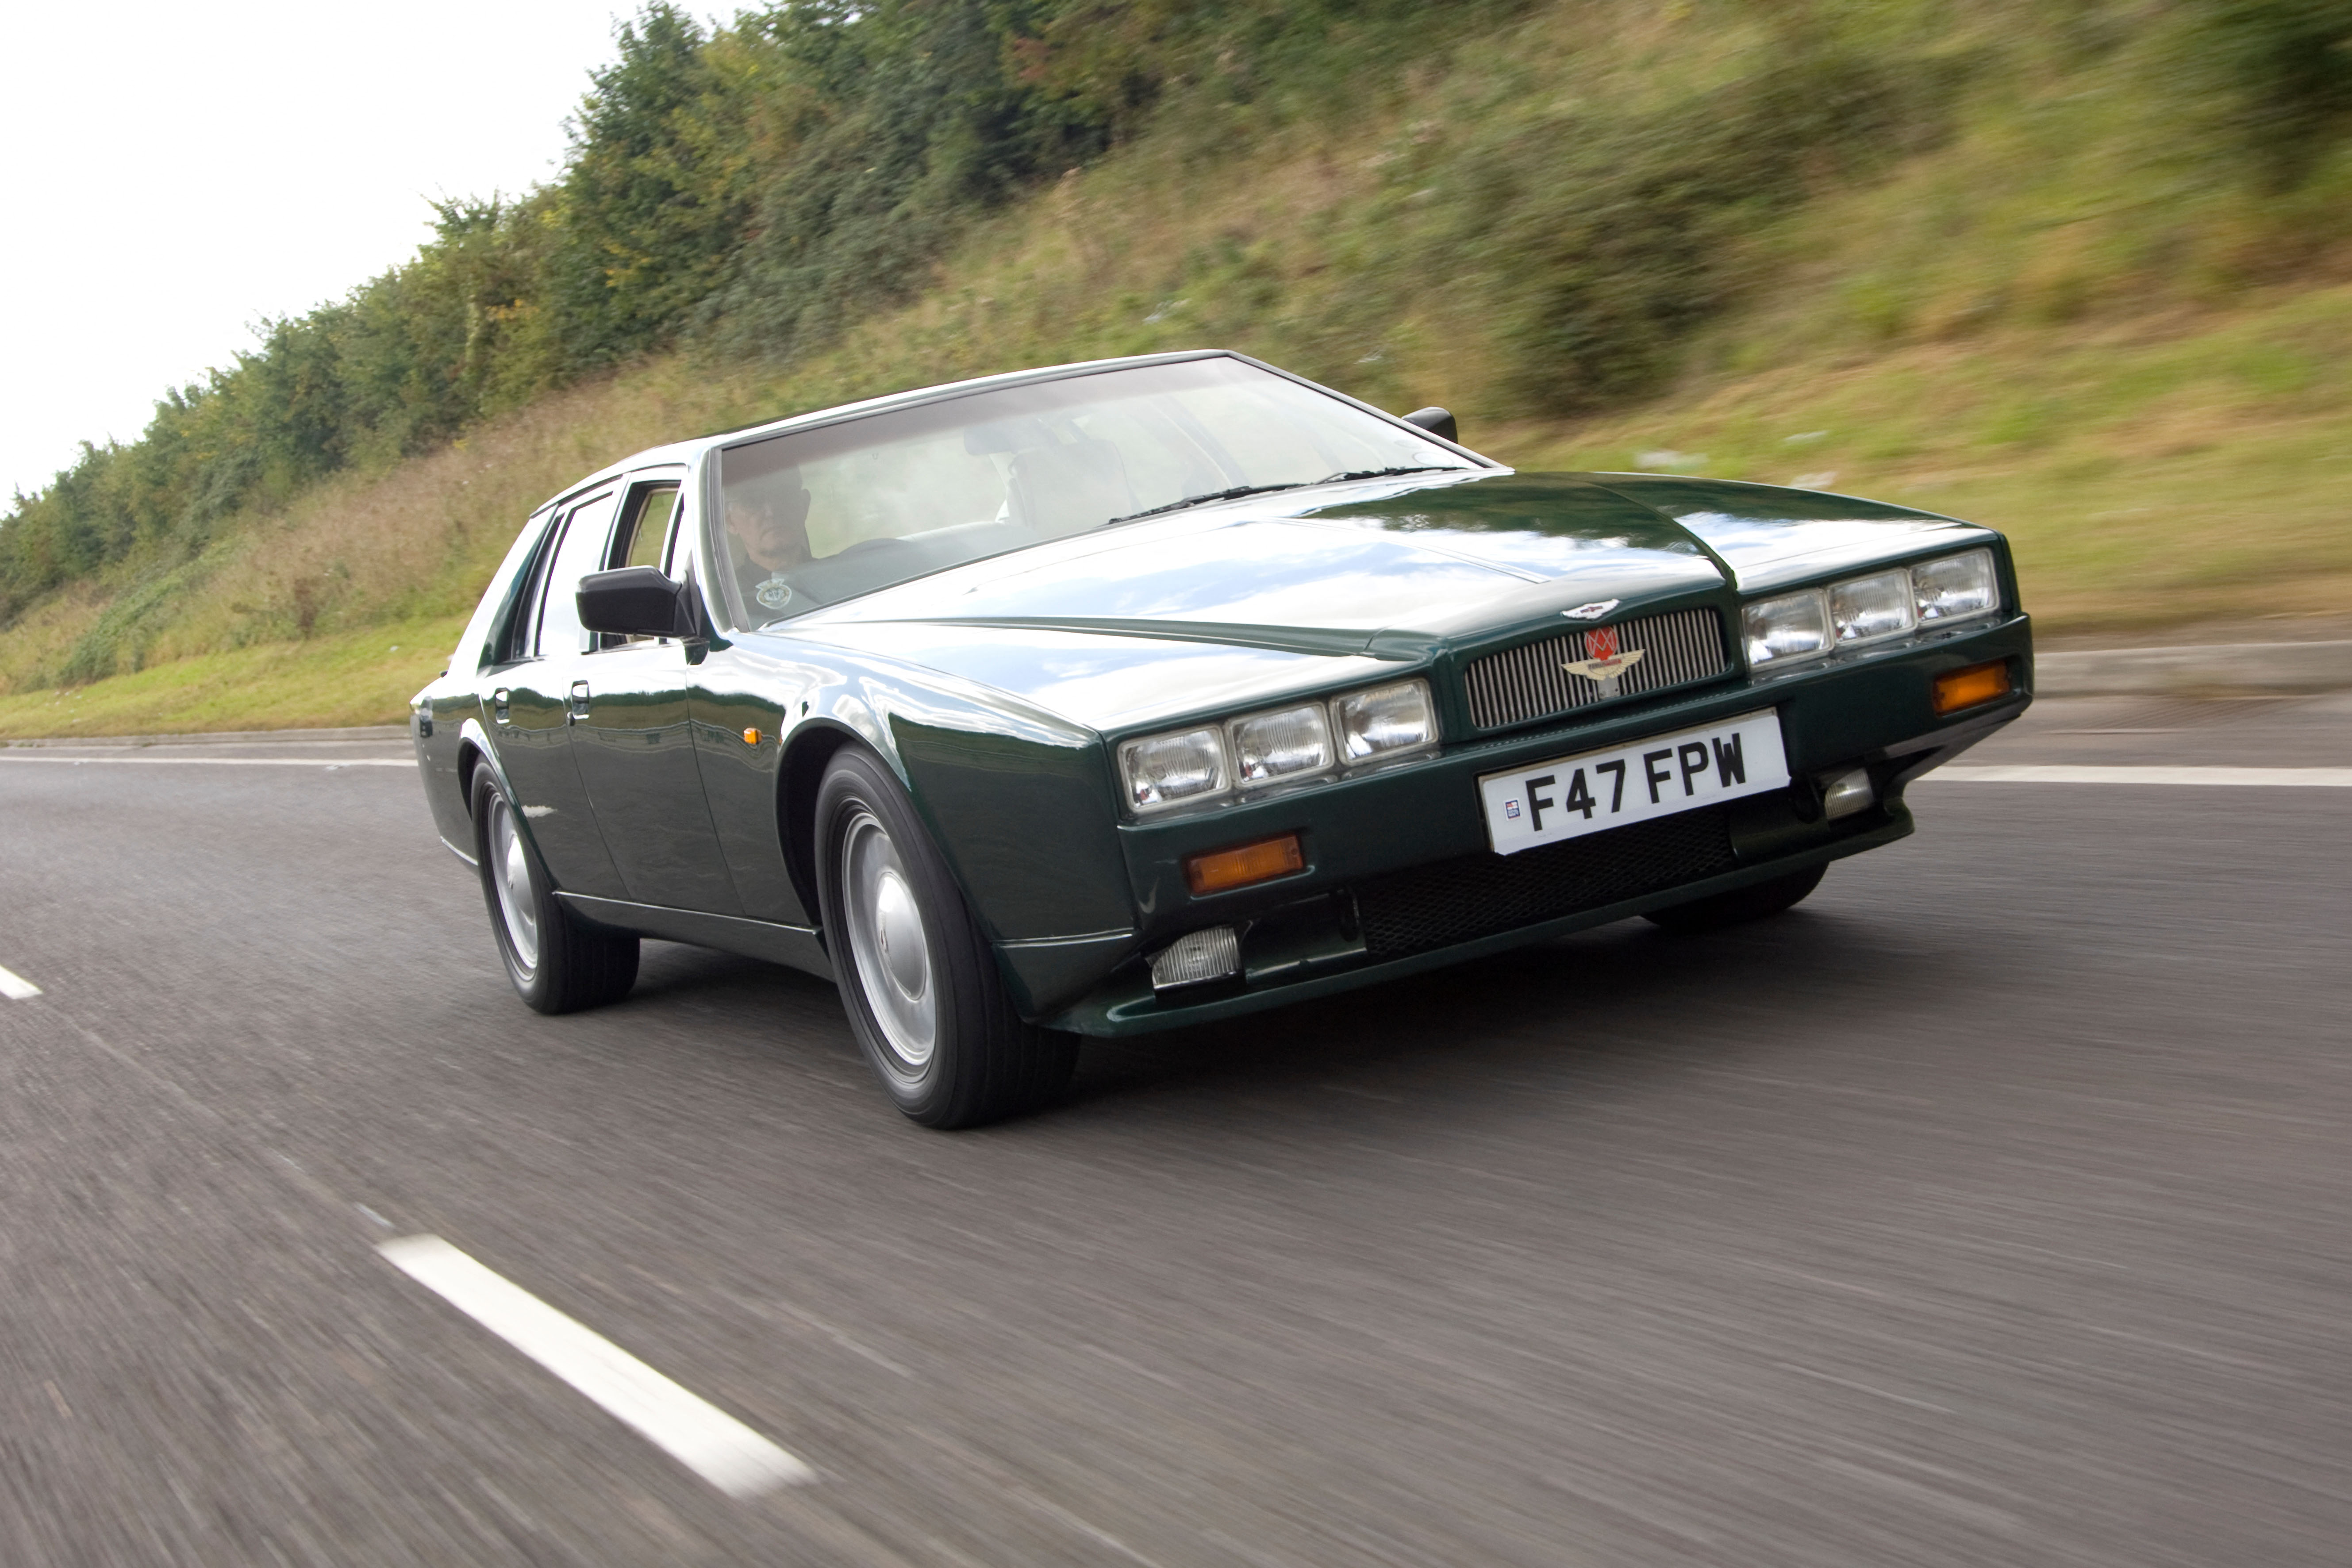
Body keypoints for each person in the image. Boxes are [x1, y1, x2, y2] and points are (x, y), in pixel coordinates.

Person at [725, 471, 813, 616]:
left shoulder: (842, 577)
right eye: (752, 501)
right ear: (731, 521)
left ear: (805, 504)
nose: (772, 512)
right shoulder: (726, 602)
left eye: (784, 495)